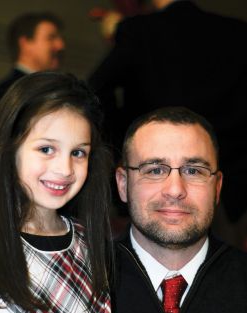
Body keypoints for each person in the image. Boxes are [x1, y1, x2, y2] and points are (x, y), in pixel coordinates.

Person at [0, 71, 115, 313]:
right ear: (11, 147)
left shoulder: (91, 245)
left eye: (78, 152)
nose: (65, 169)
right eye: (46, 149)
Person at [113, 106, 247, 313]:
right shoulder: (80, 282)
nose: (175, 189)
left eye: (193, 170)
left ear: (217, 186)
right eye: (155, 170)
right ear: (123, 184)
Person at [88, 0, 247, 248]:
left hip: (154, 176)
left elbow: (95, 91)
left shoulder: (139, 30)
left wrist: (126, 140)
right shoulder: (238, 33)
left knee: (146, 267)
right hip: (231, 186)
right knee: (229, 273)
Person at [0, 12, 65, 120]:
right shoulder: (5, 94)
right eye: (51, 38)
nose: (60, 45)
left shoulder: (51, 87)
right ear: (25, 44)